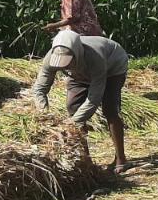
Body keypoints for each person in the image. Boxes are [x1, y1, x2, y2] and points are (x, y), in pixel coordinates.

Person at [32, 29, 130, 173]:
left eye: (67, 62)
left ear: (77, 52)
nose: (63, 67)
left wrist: (72, 123)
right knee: (73, 108)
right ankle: (86, 161)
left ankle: (121, 159)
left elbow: (94, 98)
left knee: (110, 109)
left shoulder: (95, 57)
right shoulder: (51, 58)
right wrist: (44, 114)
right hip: (78, 74)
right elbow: (39, 88)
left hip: (112, 68)